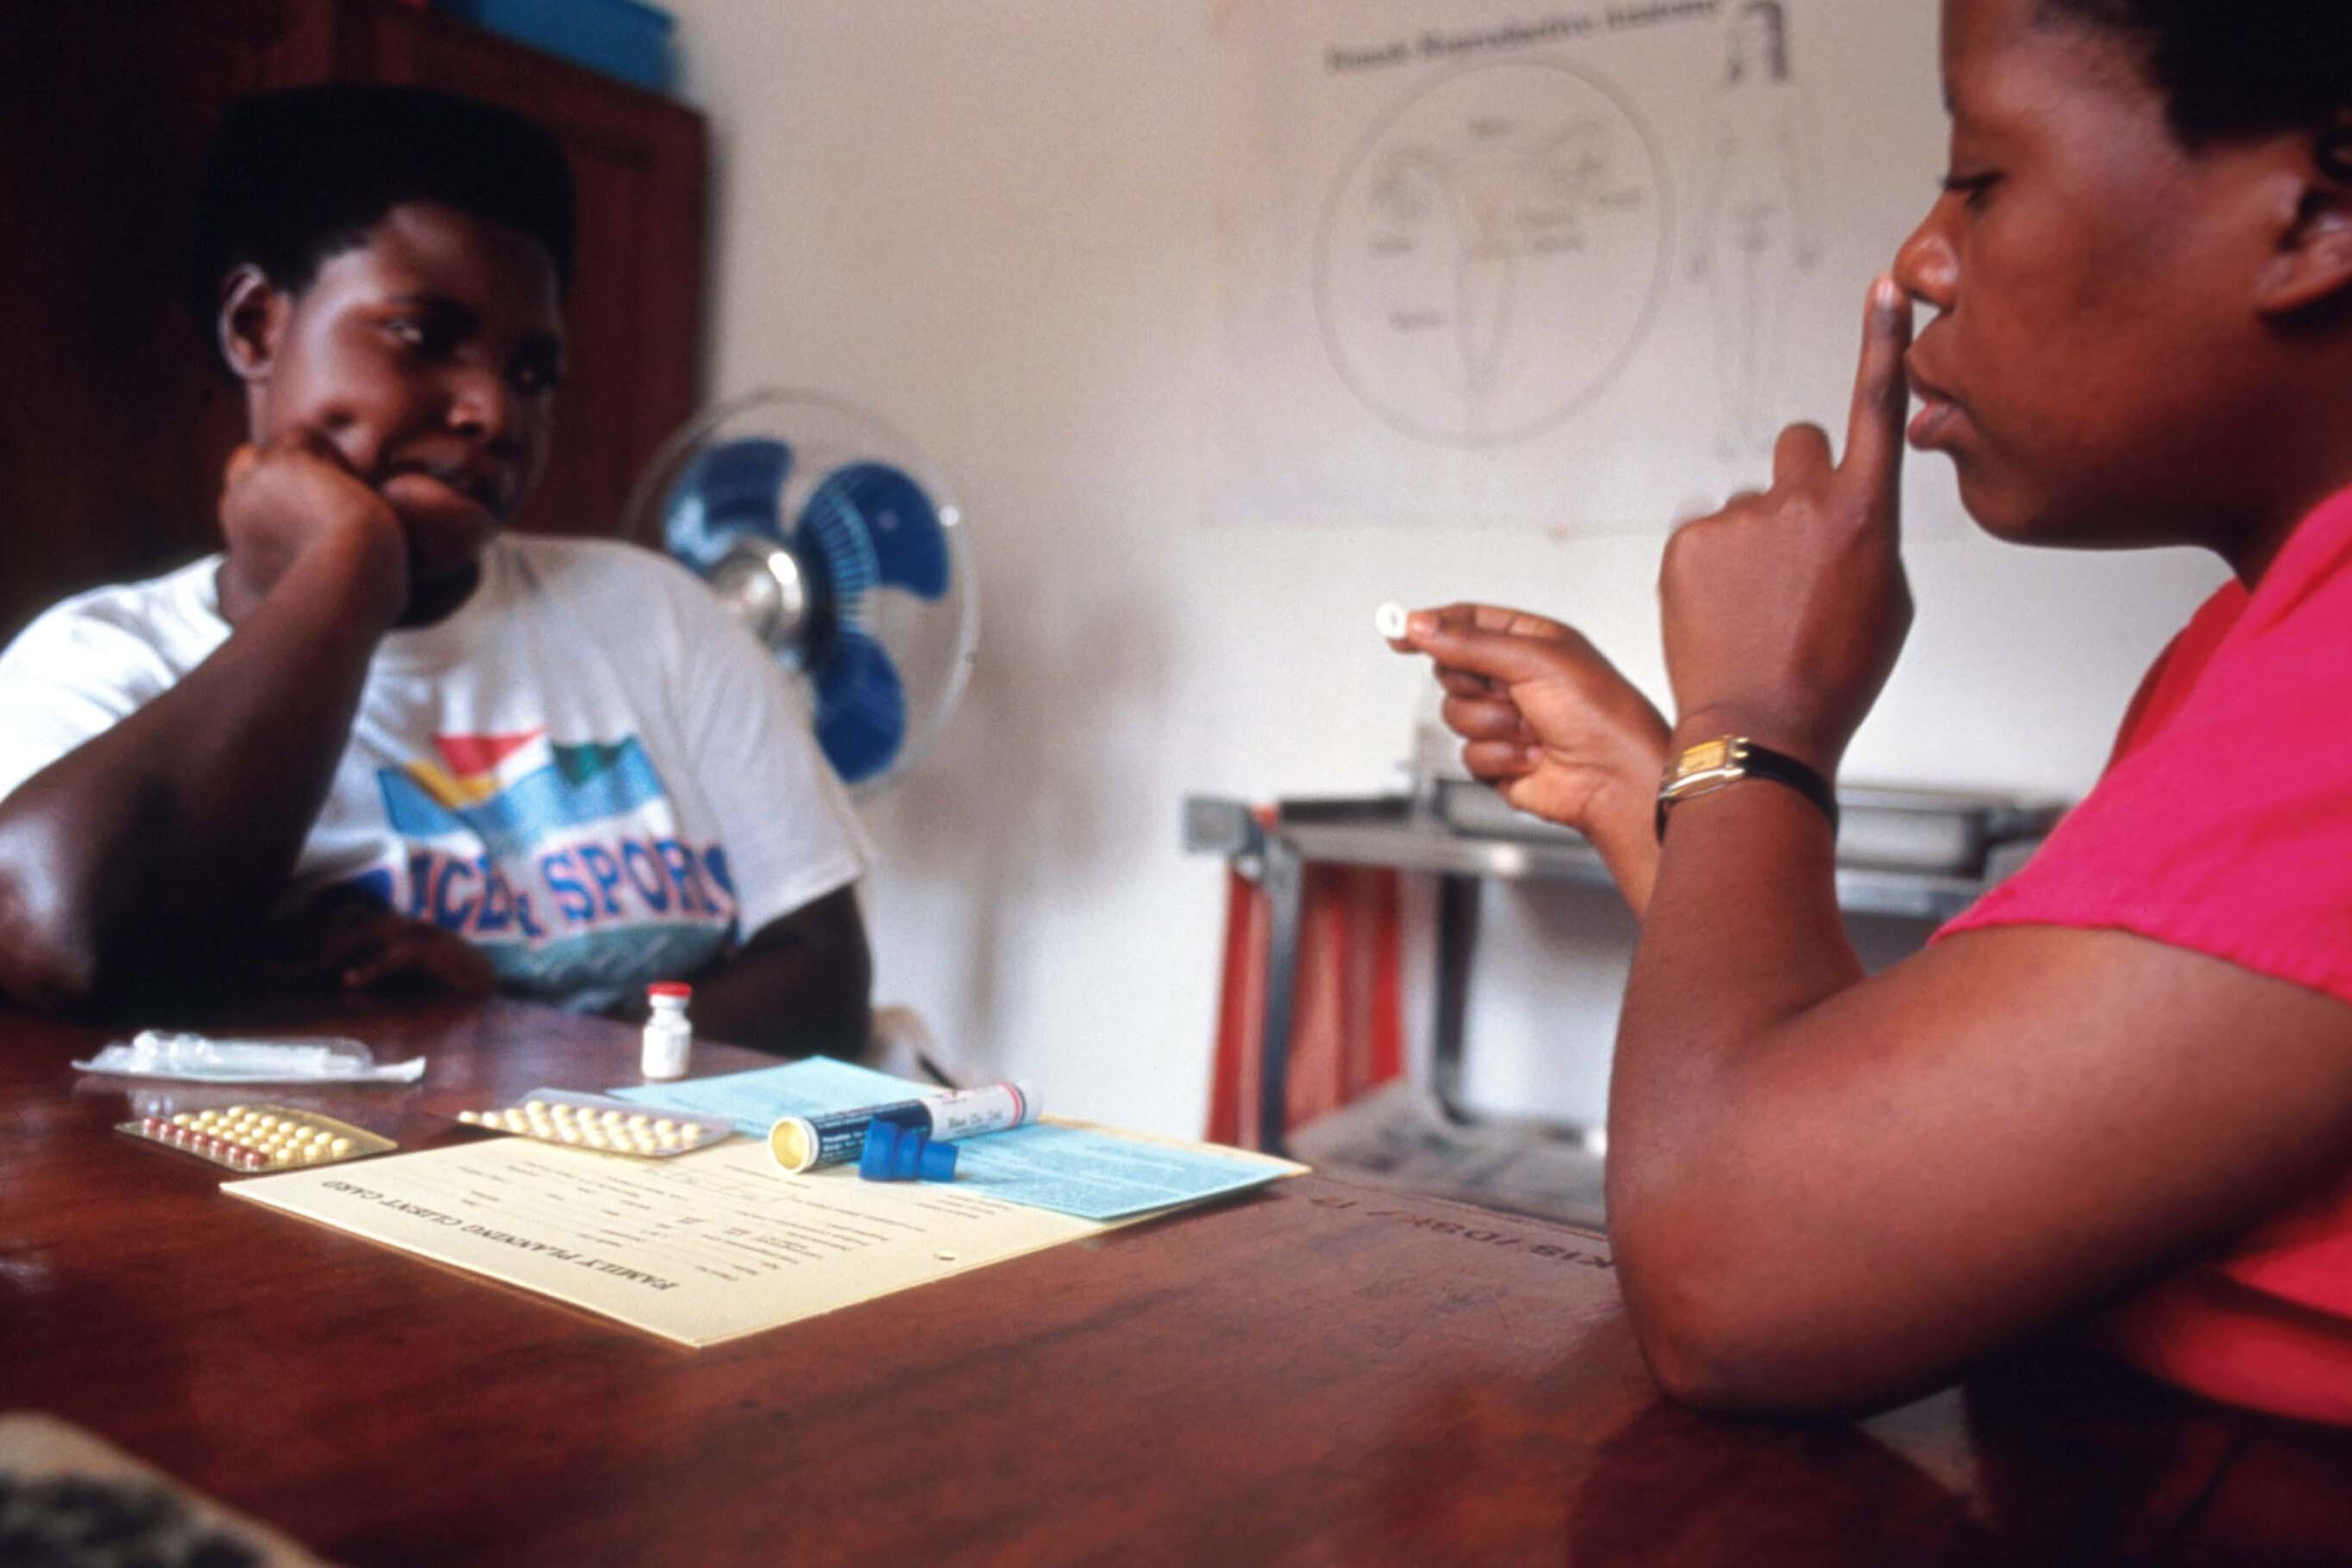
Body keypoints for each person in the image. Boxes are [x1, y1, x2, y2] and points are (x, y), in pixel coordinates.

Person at [1392, 0, 2352, 1424]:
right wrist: (1652, 788)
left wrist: (1752, 727)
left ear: (2316, 216)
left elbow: (1736, 1277)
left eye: (1978, 178)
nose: (1919, 258)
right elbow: (1889, 1171)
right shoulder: (2253, 640)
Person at [0, 85, 873, 1059]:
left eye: (533, 372)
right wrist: (350, 569)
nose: (495, 412)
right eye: (423, 336)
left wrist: (511, 1037)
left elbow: (824, 978)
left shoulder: (658, 616)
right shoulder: (99, 664)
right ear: (254, 326)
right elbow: (59, 935)